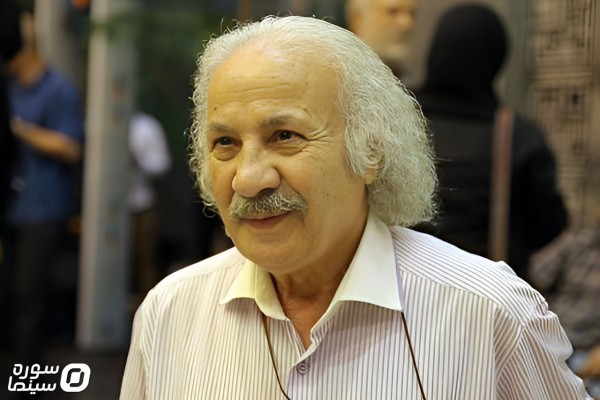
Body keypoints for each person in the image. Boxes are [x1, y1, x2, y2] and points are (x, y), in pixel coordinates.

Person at [120, 16, 591, 399]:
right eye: (225, 142)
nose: (247, 178)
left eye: (284, 136)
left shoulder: (489, 315)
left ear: (370, 153)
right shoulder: (169, 312)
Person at [415, 4, 567, 280]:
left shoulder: (396, 119)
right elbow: (547, 227)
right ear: (496, 58)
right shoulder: (518, 137)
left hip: (397, 292)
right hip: (485, 296)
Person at [2, 11, 84, 365]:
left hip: (44, 207)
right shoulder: (10, 87)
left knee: (29, 295)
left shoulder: (58, 90)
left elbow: (70, 147)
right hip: (12, 204)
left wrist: (21, 131)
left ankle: (29, 371)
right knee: (10, 292)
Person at [128, 112, 171, 297]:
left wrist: (136, 158)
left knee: (144, 259)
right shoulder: (95, 121)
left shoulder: (145, 127)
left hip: (140, 204)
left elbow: (161, 165)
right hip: (103, 210)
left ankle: (146, 304)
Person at [345, 0, 417, 77]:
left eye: (412, 14)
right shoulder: (341, 75)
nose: (406, 24)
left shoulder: (407, 78)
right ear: (357, 19)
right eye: (392, 12)